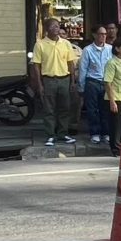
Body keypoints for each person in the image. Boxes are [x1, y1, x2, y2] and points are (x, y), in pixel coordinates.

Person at [31, 17, 78, 146]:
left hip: (64, 79)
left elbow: (70, 63)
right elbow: (36, 66)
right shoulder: (40, 44)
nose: (56, 29)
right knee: (49, 109)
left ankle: (63, 133)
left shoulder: (66, 43)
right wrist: (39, 84)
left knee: (65, 108)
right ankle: (50, 135)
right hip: (49, 80)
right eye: (53, 26)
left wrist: (72, 81)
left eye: (57, 26)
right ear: (47, 29)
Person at [78, 25, 111, 144]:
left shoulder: (110, 49)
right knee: (93, 109)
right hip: (92, 82)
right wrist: (81, 87)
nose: (103, 36)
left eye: (105, 34)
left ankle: (106, 133)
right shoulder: (87, 50)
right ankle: (95, 133)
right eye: (101, 34)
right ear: (95, 35)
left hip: (106, 82)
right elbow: (83, 69)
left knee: (105, 109)